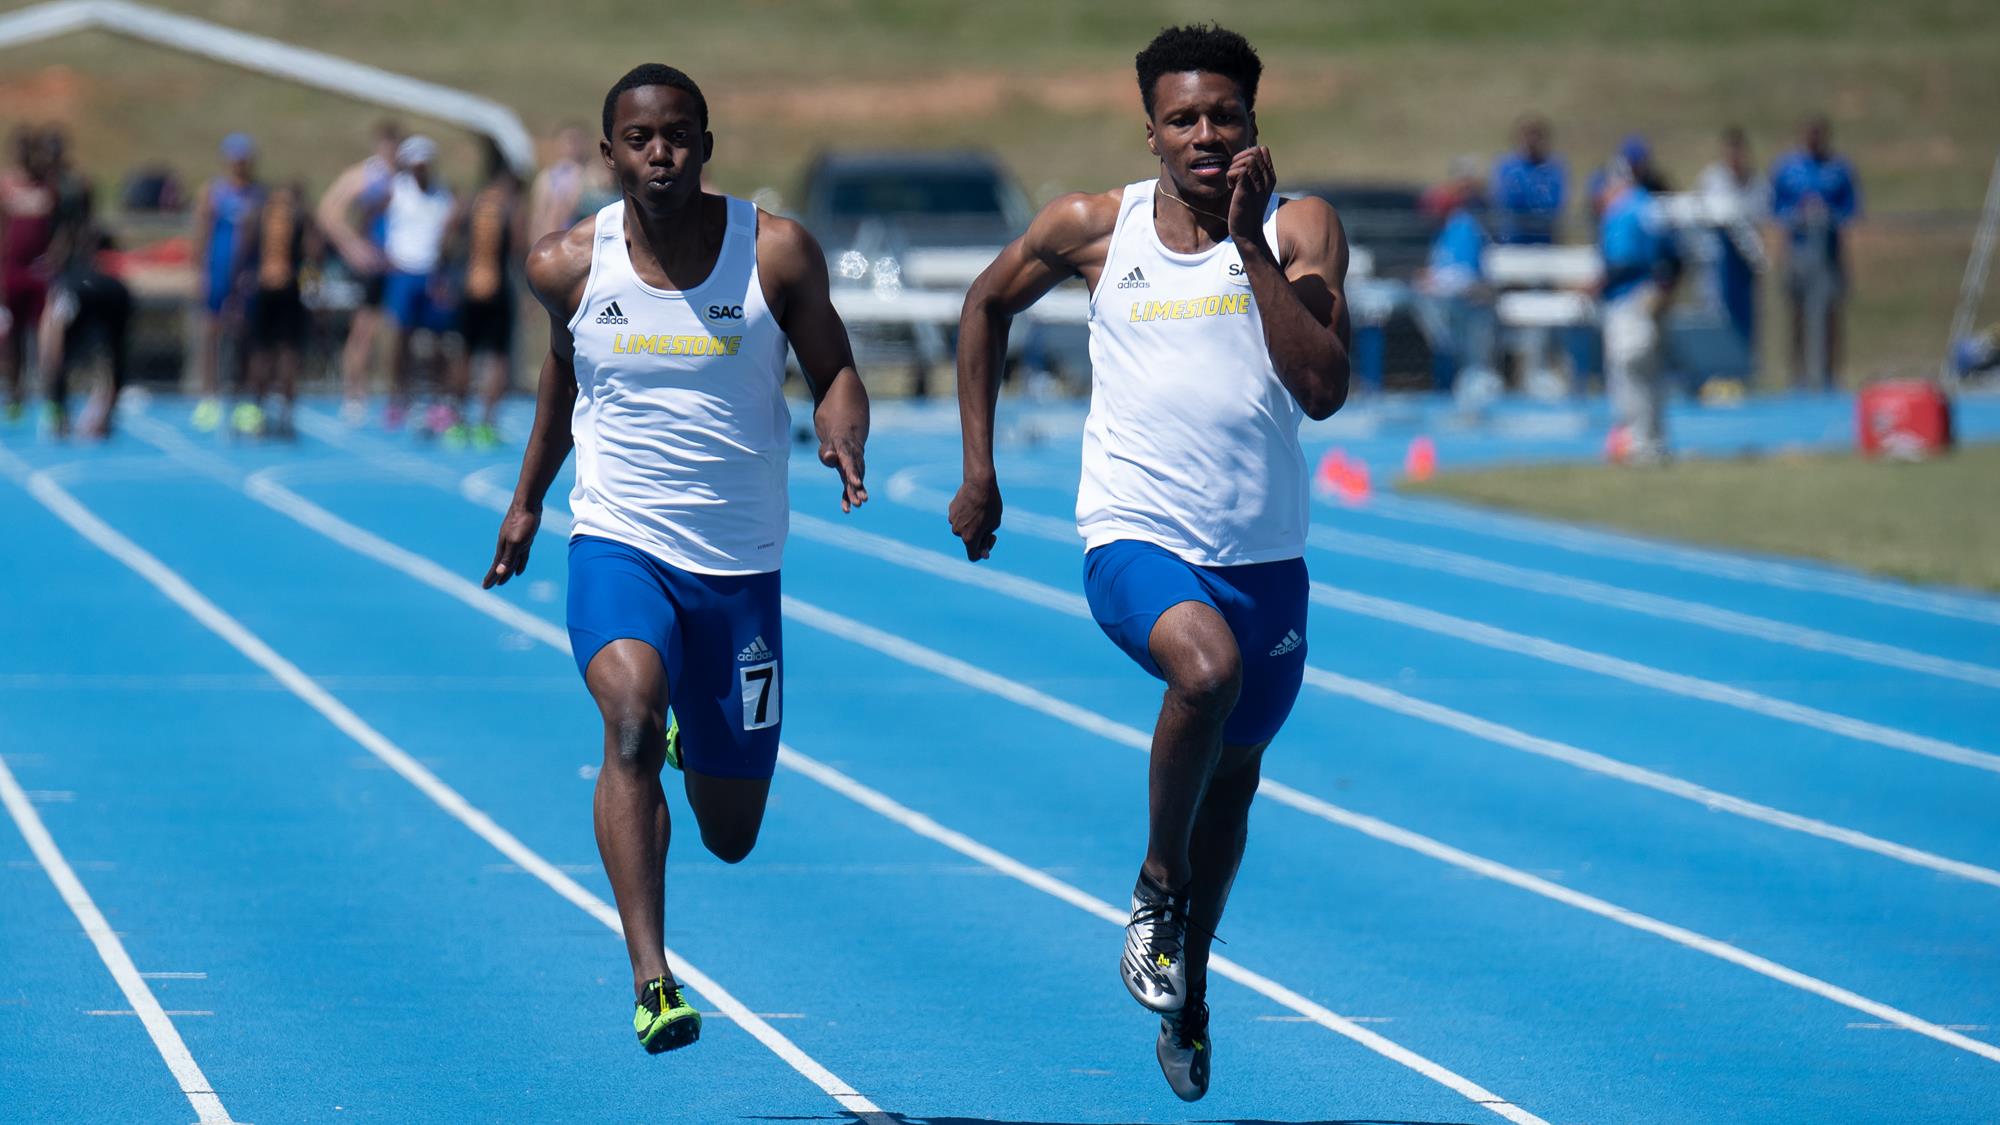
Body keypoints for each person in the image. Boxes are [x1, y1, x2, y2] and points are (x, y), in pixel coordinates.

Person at [949, 24, 1348, 1102]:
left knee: (1233, 781)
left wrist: (1247, 248)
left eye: (1223, 115)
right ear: (1151, 130)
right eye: (1183, 118)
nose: (1204, 134)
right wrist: (978, 471)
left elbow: (1321, 385)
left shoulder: (1298, 226)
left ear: (1254, 127)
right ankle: (1152, 884)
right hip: (1133, 535)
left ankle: (1191, 982)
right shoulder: (1093, 227)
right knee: (1203, 672)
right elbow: (982, 305)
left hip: (1264, 561)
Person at [480, 63, 869, 1057]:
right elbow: (561, 386)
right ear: (609, 153)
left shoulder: (772, 254)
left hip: (738, 572)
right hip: (619, 543)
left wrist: (841, 432)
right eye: (640, 139)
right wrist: (527, 503)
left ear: (706, 143)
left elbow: (833, 370)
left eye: (679, 136)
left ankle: (698, 740)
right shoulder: (564, 265)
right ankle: (652, 976)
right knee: (626, 716)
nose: (661, 155)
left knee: (730, 835)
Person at [1597, 153, 1683, 465]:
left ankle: (1638, 441)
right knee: (1651, 372)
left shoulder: (1622, 211)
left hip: (1629, 298)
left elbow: (1622, 261)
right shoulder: (1650, 205)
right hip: (1655, 297)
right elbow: (1675, 255)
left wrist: (1597, 284)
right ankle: (1656, 440)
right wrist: (1666, 289)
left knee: (1629, 368)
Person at [371, 135, 458, 433]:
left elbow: (448, 234)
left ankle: (437, 399)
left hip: (430, 272)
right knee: (400, 339)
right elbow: (369, 218)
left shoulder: (442, 195)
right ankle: (398, 397)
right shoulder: (396, 190)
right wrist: (378, 253)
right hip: (403, 271)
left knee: (436, 341)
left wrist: (444, 269)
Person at [316, 120, 401, 424]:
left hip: (398, 264)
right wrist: (351, 246)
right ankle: (355, 393)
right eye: (386, 146)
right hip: (373, 263)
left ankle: (392, 394)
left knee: (394, 332)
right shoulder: (366, 175)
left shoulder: (404, 176)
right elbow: (328, 210)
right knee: (363, 331)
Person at [1770, 115, 1860, 388]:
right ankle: (1797, 375)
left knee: (1830, 314)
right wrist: (1797, 214)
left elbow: (1852, 208)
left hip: (1828, 254)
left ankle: (1831, 375)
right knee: (1797, 313)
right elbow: (1774, 206)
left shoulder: (1838, 168)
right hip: (1798, 251)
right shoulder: (1787, 168)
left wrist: (1828, 214)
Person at [447, 139, 526, 449]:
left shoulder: (472, 201)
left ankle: (457, 421)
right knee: (497, 358)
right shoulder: (511, 206)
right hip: (500, 287)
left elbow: (447, 231)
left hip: (468, 285)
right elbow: (521, 248)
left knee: (464, 352)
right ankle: (486, 424)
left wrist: (449, 269)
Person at [189, 133, 264, 431]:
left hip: (247, 275)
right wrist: (200, 272)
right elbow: (202, 233)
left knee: (246, 335)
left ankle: (245, 398)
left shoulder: (258, 195)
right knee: (212, 332)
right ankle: (209, 396)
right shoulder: (214, 192)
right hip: (218, 271)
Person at [233, 180, 317, 438]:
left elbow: (243, 252)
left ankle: (257, 411)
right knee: (288, 352)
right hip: (290, 288)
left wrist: (237, 287)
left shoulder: (258, 215)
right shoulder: (300, 217)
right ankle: (286, 416)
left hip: (264, 286)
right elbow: (313, 253)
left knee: (261, 352)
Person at [1414, 157, 1497, 391]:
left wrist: (1433, 281)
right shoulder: (1443, 231)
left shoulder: (1464, 225)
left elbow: (1465, 276)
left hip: (1473, 305)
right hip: (1454, 305)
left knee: (1473, 367)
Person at [1696, 126, 1770, 368]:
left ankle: (1745, 369)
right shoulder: (1712, 180)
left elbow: (1762, 223)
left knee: (1746, 319)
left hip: (1744, 264)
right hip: (1718, 261)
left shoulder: (1756, 184)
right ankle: (1716, 369)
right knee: (1716, 316)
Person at [1, 126, 56, 424]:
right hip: (12, 270)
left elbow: (58, 228)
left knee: (45, 335)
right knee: (13, 337)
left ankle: (48, 393)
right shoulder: (6, 185)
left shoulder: (48, 187)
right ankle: (14, 392)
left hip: (40, 271)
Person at [528, 123, 616, 241]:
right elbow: (539, 214)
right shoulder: (549, 176)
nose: (574, 146)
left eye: (578, 141)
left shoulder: (594, 171)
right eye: (569, 141)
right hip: (559, 235)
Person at [1490, 114, 1567, 245]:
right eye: (1526, 135)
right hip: (1512, 241)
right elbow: (1506, 202)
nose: (1531, 140)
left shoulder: (1553, 168)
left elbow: (1553, 204)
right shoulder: (1508, 167)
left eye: (1536, 134)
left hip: (1545, 242)